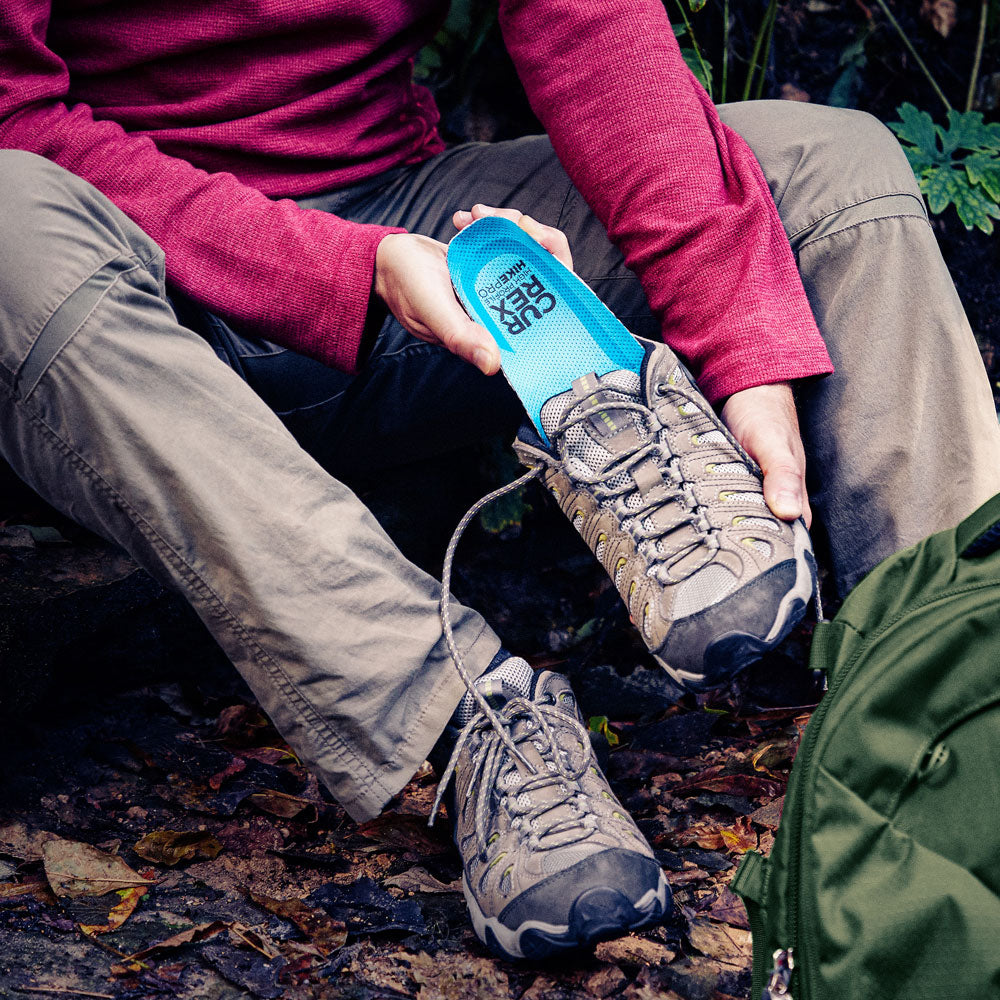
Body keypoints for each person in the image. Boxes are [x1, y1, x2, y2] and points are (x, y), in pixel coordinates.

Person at [1, 0, 999, 961]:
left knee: (836, 172)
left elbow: (588, 25)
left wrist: (738, 331)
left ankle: (958, 716)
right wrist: (344, 268)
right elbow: (15, 115)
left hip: (417, 248)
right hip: (122, 306)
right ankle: (471, 722)